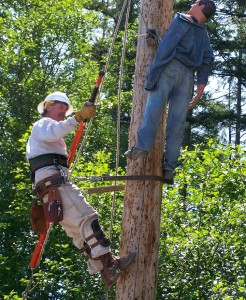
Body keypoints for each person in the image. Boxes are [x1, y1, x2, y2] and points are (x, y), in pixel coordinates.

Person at [26, 91, 136, 289]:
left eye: (66, 109)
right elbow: (56, 131)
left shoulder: (47, 132)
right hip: (55, 185)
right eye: (60, 106)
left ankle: (105, 271)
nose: (64, 111)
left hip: (50, 189)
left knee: (79, 232)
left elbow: (57, 134)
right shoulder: (43, 125)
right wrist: (77, 117)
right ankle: (110, 265)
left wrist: (76, 118)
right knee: (87, 218)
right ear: (48, 106)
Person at [125, 0, 216, 184]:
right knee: (177, 123)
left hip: (169, 69)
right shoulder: (203, 35)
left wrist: (154, 72)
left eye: (196, 2)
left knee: (153, 108)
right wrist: (199, 89)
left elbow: (167, 45)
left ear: (202, 7)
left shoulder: (181, 19)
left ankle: (142, 147)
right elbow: (207, 60)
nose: (192, 3)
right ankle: (169, 168)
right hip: (188, 78)